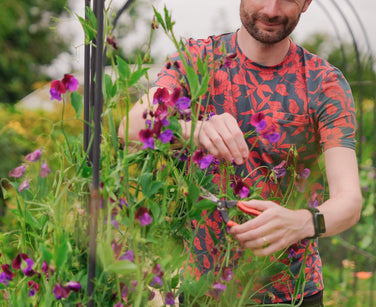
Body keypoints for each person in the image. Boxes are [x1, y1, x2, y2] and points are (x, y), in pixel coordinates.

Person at [118, 0, 362, 305]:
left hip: (290, 293)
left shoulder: (323, 82)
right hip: (202, 289)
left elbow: (349, 201)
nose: (272, 10)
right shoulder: (198, 60)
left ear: (307, 3)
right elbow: (129, 127)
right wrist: (193, 130)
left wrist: (302, 222)